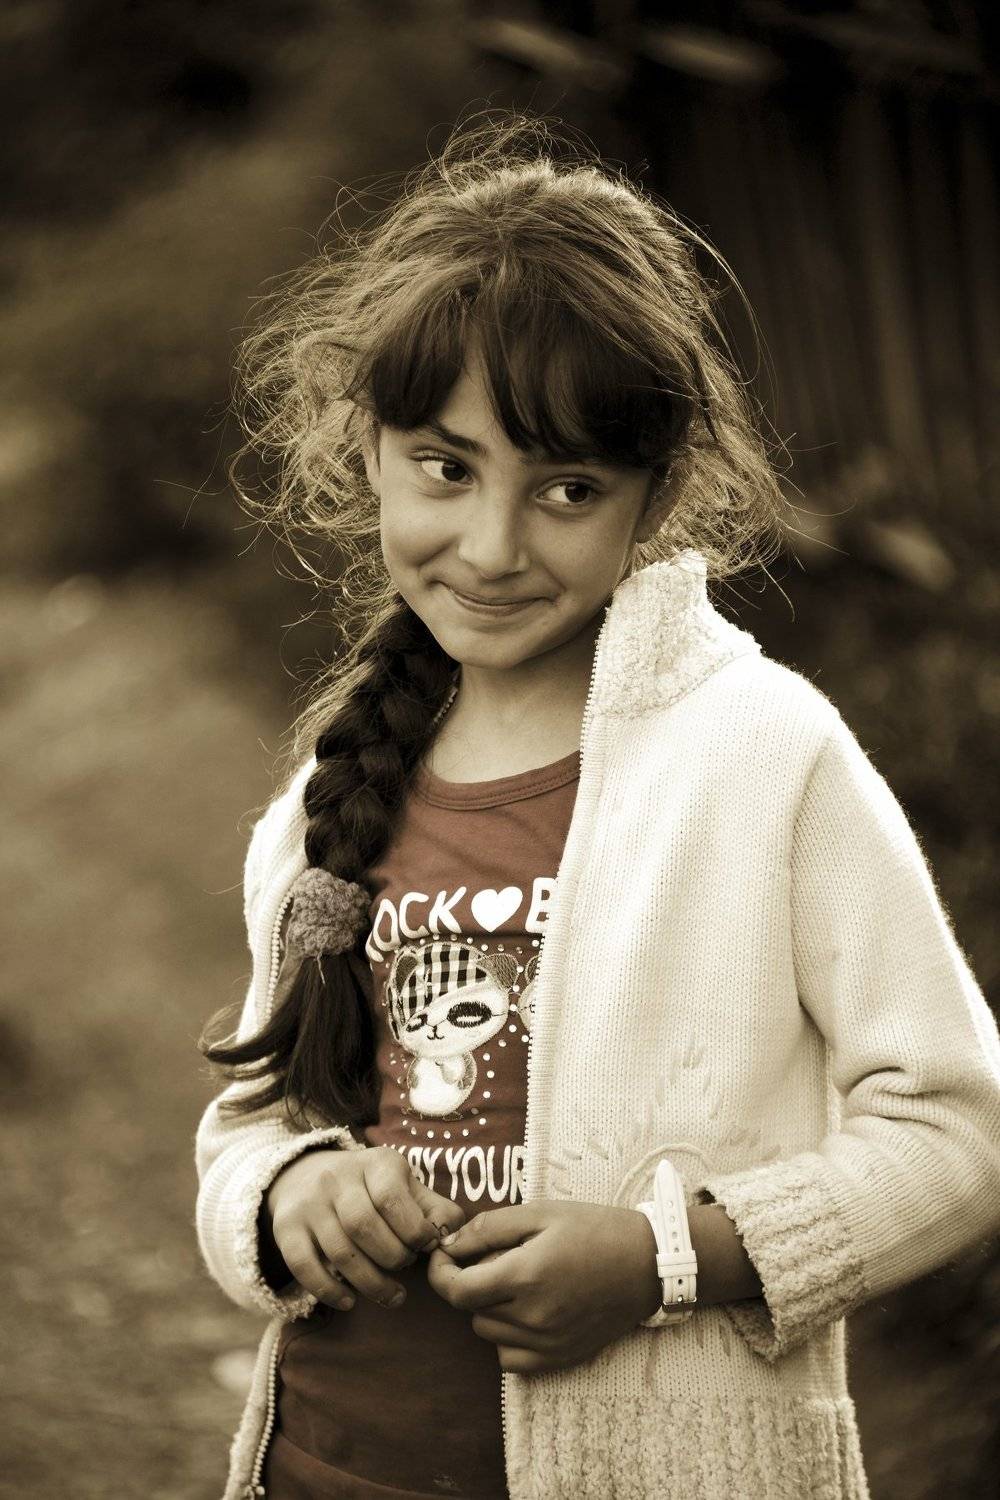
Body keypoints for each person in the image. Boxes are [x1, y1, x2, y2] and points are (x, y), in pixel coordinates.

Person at [195, 113, 1000, 1500]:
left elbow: (957, 1133)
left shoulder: (763, 757)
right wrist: (286, 1198)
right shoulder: (336, 785)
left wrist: (663, 1261)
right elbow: (251, 1122)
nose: (494, 545)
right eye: (446, 467)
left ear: (656, 491)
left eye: (567, 487)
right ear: (365, 449)